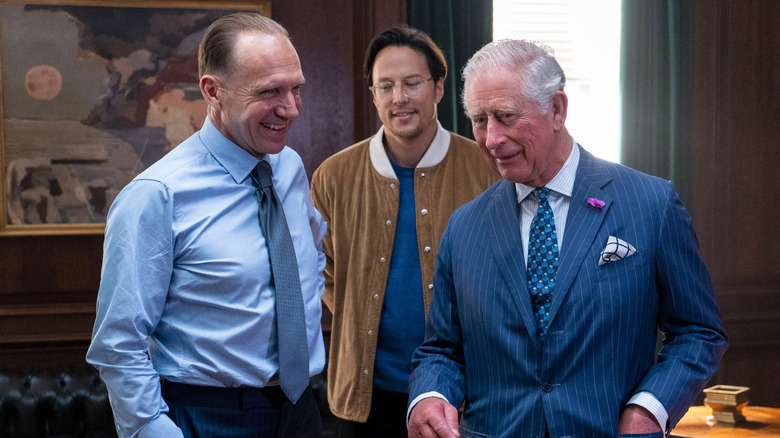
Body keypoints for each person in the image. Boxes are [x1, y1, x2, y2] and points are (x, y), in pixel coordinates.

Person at [407, 39, 728, 438]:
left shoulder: (650, 203)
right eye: (479, 120)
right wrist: (430, 395)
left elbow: (699, 332)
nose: (491, 139)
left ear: (556, 109)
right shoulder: (464, 226)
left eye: (506, 116)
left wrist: (648, 409)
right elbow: (441, 349)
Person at [86, 13, 326, 438]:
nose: (291, 109)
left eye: (296, 88)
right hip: (207, 417)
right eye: (270, 91)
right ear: (213, 91)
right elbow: (118, 345)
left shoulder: (288, 168)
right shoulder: (156, 195)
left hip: (300, 411)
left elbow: (304, 266)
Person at [310, 26, 498, 437]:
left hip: (463, 396)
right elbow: (322, 272)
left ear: (439, 88)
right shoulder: (334, 176)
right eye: (386, 86)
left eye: (412, 83)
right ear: (373, 93)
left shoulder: (486, 169)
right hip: (364, 397)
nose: (399, 98)